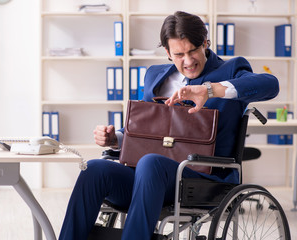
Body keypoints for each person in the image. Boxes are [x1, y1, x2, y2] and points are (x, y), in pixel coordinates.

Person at [58, 11, 279, 240]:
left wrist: (210, 90)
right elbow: (145, 128)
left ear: (205, 43)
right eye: (179, 54)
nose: (188, 61)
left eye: (193, 50)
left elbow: (270, 85)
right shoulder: (155, 76)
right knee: (94, 169)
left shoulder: (230, 70)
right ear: (167, 53)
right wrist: (117, 139)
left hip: (202, 177)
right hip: (148, 176)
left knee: (150, 162)